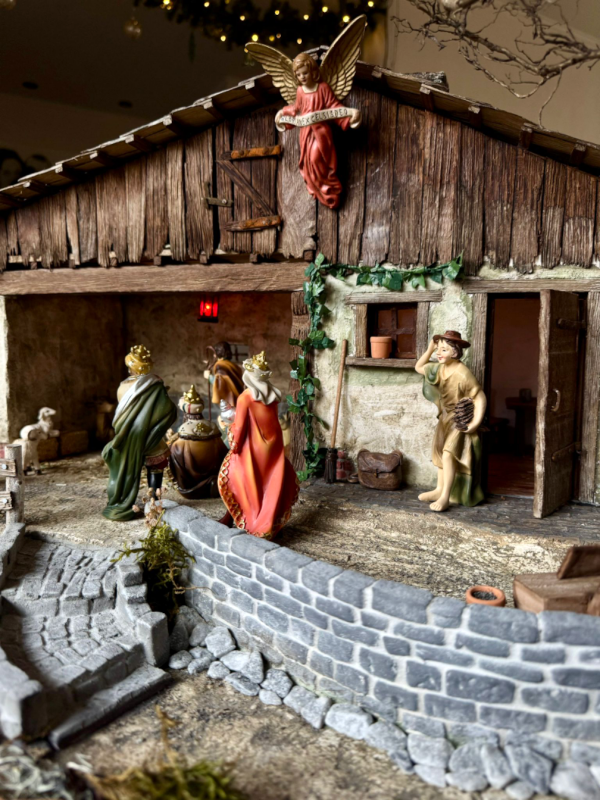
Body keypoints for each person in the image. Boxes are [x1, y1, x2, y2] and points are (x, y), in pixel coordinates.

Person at [218, 352, 298, 538]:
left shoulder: (246, 398)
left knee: (233, 477)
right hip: (272, 448)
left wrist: (231, 434)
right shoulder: (273, 396)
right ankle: (269, 522)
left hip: (252, 450)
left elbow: (239, 429)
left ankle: (255, 523)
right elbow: (271, 424)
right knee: (271, 484)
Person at [275, 53, 361, 209]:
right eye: (298, 74)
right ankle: (320, 190)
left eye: (305, 73)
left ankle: (329, 187)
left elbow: (334, 106)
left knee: (316, 159)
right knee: (308, 164)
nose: (302, 77)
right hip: (306, 134)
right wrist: (283, 112)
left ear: (313, 72)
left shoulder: (323, 88)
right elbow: (296, 108)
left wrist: (349, 116)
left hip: (321, 133)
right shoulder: (300, 91)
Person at [102, 345, 177, 521]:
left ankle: (123, 500)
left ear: (131, 367)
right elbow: (167, 410)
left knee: (129, 467)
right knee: (155, 467)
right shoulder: (156, 385)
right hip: (150, 437)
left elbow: (124, 413)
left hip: (127, 436)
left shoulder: (122, 387)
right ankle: (154, 503)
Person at [415, 331, 486, 512]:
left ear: (455, 352)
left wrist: (475, 423)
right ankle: (439, 489)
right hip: (445, 417)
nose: (439, 353)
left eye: (444, 350)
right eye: (438, 349)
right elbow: (419, 367)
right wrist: (430, 348)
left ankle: (446, 496)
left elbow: (479, 397)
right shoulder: (440, 368)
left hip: (458, 419)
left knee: (448, 454)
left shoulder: (463, 374)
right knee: (439, 454)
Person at [169, 385, 227, 499]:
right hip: (212, 459)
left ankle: (187, 484)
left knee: (175, 448)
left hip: (190, 463)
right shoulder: (212, 427)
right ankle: (212, 481)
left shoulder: (184, 430)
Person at [205, 341, 245, 408]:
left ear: (216, 354)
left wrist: (209, 377)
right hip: (239, 399)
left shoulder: (220, 366)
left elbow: (221, 384)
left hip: (229, 401)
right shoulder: (235, 366)